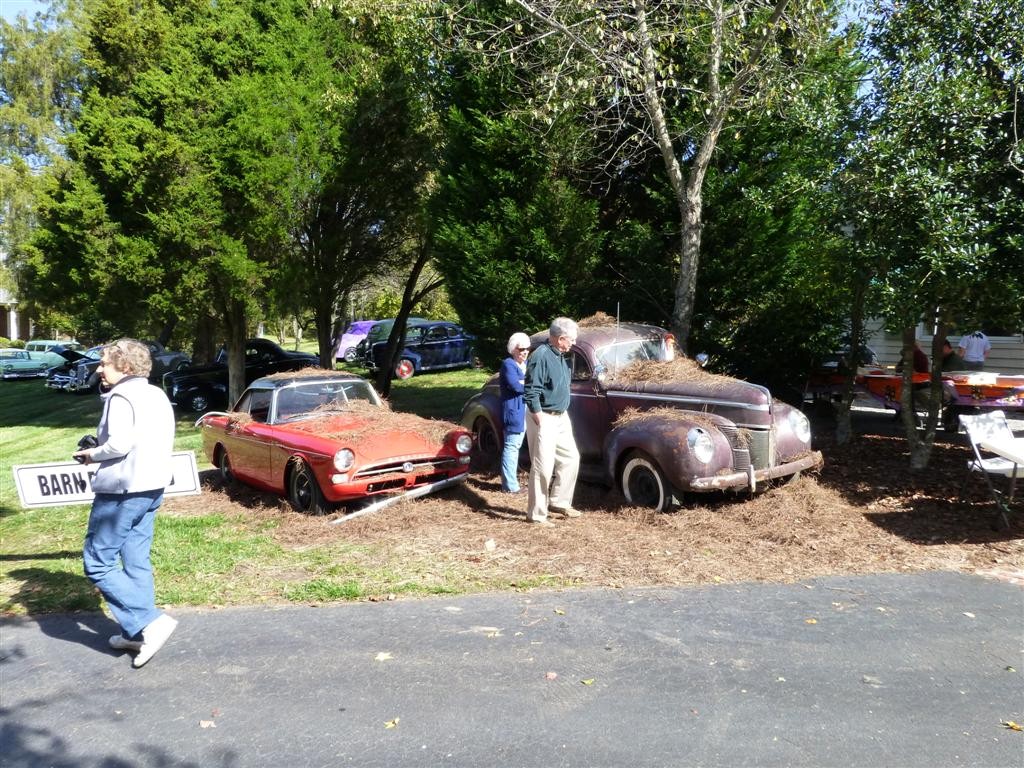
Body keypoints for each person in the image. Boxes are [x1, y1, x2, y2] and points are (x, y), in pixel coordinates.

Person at [73, 338, 178, 668]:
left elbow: (118, 445)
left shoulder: (120, 395)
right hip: (152, 487)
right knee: (135, 559)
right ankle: (136, 633)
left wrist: (91, 453)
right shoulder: (155, 392)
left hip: (122, 489)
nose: (99, 369)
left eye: (104, 363)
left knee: (98, 562)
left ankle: (150, 622)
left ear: (126, 367)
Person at [523, 317, 581, 526]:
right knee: (542, 467)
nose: (573, 343)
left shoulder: (561, 355)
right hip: (544, 416)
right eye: (571, 339)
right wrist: (539, 418)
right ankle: (536, 515)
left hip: (561, 416)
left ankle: (559, 502)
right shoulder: (540, 356)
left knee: (571, 458)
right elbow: (531, 390)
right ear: (560, 338)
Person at [499, 332, 531, 493]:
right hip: (514, 412)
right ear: (513, 350)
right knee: (511, 446)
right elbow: (515, 386)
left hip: (524, 411)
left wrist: (524, 382)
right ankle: (510, 486)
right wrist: (527, 383)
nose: (525, 352)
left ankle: (511, 482)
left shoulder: (525, 365)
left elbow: (523, 384)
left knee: (516, 445)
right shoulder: (508, 364)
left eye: (527, 349)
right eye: (521, 349)